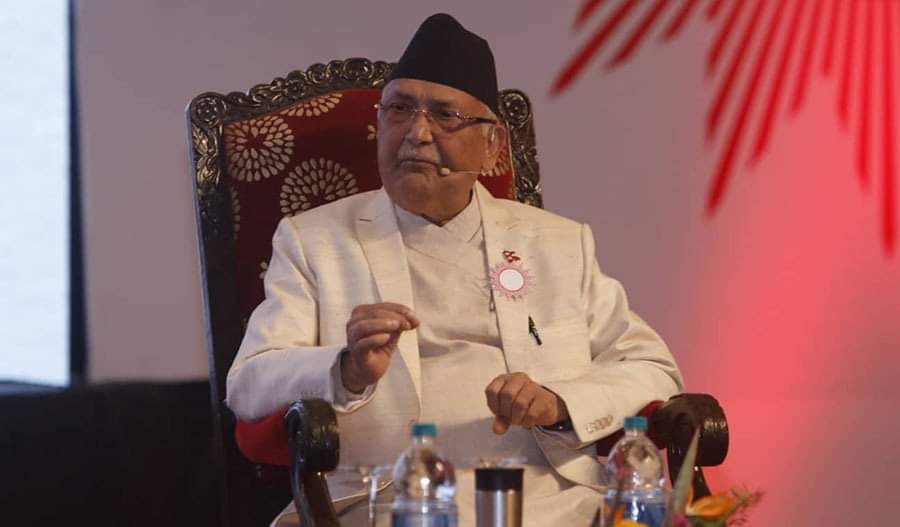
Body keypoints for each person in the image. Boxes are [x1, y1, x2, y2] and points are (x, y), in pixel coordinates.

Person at [225, 13, 683, 527]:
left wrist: (559, 403)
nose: (417, 133)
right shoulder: (314, 240)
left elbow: (653, 368)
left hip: (551, 497)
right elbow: (248, 384)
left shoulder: (558, 243)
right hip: (391, 498)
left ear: (493, 145)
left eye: (445, 115)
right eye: (399, 109)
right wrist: (346, 369)